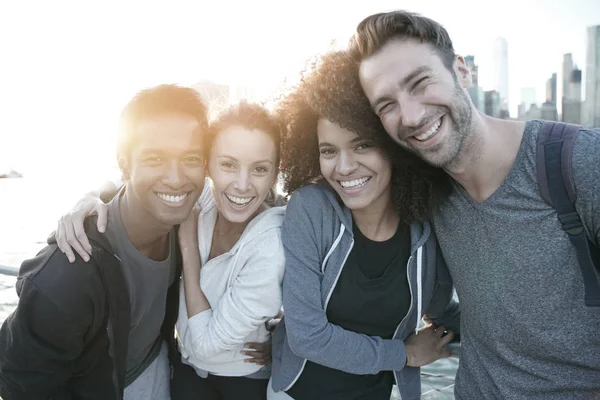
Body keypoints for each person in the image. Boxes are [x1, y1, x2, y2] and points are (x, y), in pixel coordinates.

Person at [349, 10, 600, 399]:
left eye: (420, 82)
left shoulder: (579, 162)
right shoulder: (426, 194)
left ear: (461, 72)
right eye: (387, 105)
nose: (411, 116)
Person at [54, 101, 286, 400]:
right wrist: (89, 198)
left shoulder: (272, 246)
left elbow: (205, 344)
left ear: (274, 173)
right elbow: (135, 178)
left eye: (259, 169)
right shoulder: (202, 196)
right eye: (228, 164)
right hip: (184, 367)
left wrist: (188, 250)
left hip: (242, 381)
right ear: (207, 165)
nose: (242, 185)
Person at [268, 50, 460, 400]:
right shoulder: (311, 209)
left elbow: (440, 310)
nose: (343, 167)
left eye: (362, 145)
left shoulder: (424, 230)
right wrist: (404, 355)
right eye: (328, 151)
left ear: (394, 146)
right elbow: (308, 336)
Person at [0, 84, 209, 400]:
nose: (177, 178)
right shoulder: (68, 273)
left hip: (154, 368)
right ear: (125, 163)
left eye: (191, 158)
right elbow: (22, 386)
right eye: (155, 159)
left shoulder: (187, 223)